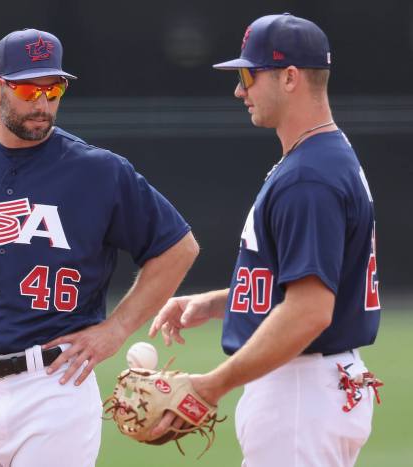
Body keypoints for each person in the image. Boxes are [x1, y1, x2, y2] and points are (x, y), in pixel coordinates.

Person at [0, 28, 199, 467]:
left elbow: (178, 247)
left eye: (53, 88)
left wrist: (116, 329)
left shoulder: (98, 171)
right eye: (27, 89)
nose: (42, 102)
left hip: (54, 388)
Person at [149, 13, 382, 466]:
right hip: (312, 387)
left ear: (290, 77)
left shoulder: (309, 177)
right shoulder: (324, 157)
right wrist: (224, 302)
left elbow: (311, 310)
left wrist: (211, 385)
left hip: (301, 390)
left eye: (248, 75)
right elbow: (320, 279)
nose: (240, 90)